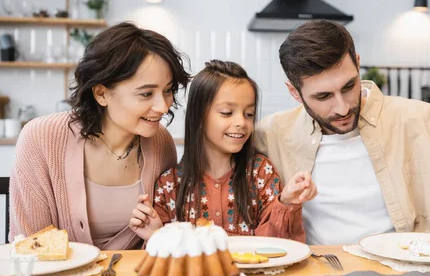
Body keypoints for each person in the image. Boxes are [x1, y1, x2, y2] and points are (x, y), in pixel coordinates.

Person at [254, 20, 430, 245]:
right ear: (294, 92)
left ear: (357, 61)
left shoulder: (427, 121)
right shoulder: (272, 135)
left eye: (348, 86)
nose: (342, 107)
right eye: (323, 96)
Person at [9, 22, 190, 250]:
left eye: (167, 91)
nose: (163, 107)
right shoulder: (40, 138)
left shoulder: (161, 142)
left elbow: (159, 235)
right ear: (102, 93)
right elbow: (30, 244)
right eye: (146, 93)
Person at [129, 60, 316, 242]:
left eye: (249, 114)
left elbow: (279, 247)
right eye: (227, 112)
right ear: (199, 117)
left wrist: (287, 201)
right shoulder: (169, 184)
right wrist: (157, 236)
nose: (241, 123)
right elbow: (163, 262)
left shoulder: (261, 173)